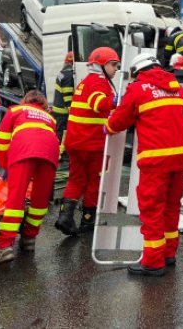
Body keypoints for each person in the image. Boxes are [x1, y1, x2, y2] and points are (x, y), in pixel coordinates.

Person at [105, 52, 183, 276]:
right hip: (180, 156)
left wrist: (108, 128)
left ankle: (153, 262)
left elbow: (120, 120)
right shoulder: (177, 88)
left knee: (152, 209)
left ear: (137, 72)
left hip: (155, 158)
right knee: (172, 207)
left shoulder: (137, 89)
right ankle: (169, 254)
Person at [0, 90, 60, 267]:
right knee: (40, 200)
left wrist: (6, 165)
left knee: (15, 200)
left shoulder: (15, 111)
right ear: (43, 105)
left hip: (24, 152)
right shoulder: (50, 118)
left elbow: (1, 141)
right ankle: (30, 238)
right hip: (50, 154)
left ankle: (4, 247)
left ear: (24, 100)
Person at [56, 47, 119, 236]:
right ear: (101, 65)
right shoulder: (99, 82)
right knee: (95, 181)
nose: (116, 69)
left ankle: (65, 218)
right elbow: (99, 104)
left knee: (76, 179)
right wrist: (119, 100)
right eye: (113, 65)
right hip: (91, 142)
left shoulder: (85, 82)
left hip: (76, 141)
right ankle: (88, 221)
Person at [52, 51, 75, 144]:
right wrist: (72, 111)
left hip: (57, 109)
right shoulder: (69, 76)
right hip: (63, 112)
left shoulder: (62, 73)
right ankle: (60, 155)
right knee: (62, 133)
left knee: (58, 132)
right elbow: (68, 96)